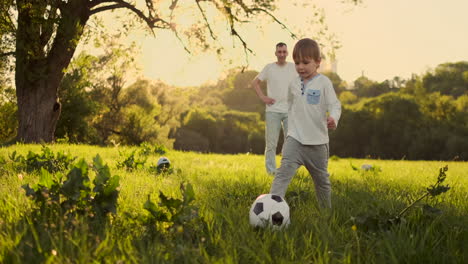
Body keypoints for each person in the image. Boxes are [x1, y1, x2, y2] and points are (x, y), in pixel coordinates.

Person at [269, 38, 341, 209]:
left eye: (305, 62)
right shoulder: (293, 83)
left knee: (322, 182)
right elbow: (289, 105)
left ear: (317, 62)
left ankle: (326, 214)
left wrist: (333, 118)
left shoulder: (324, 83)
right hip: (295, 140)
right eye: (297, 63)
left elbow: (334, 104)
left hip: (318, 144)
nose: (300, 67)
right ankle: (271, 209)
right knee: (282, 174)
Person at [252, 42, 298, 175]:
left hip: (290, 111)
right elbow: (254, 82)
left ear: (287, 53)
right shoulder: (269, 68)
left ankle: (287, 170)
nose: (282, 54)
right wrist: (263, 97)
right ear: (276, 53)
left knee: (291, 143)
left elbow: (302, 83)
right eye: (279, 52)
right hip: (272, 111)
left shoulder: (293, 67)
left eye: (284, 52)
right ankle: (271, 172)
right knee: (271, 144)